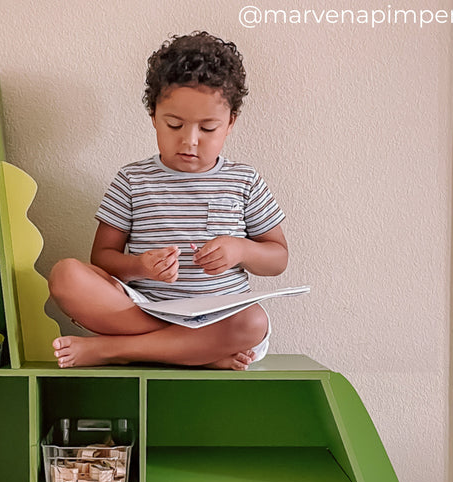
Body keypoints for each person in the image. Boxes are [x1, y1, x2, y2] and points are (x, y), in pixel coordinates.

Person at [48, 31, 288, 370]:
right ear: (153, 116)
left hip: (222, 318)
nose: (190, 141)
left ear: (230, 123)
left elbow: (278, 258)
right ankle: (195, 352)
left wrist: (240, 249)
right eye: (174, 124)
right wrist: (140, 266)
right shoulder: (132, 180)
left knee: (252, 322)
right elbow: (102, 259)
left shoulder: (244, 181)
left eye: (207, 129)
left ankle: (114, 350)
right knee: (65, 276)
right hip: (144, 308)